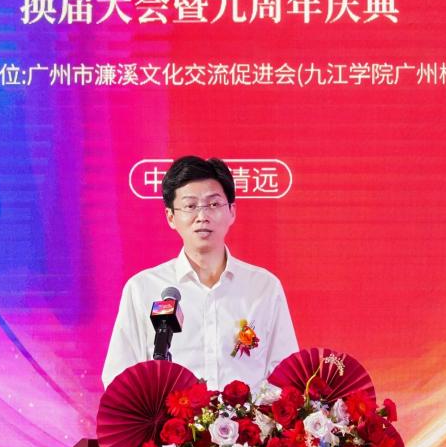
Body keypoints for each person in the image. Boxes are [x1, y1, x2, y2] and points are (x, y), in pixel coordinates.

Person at [101, 156, 298, 390]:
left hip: (249, 414)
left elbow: (285, 375)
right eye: (190, 206)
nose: (202, 216)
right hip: (168, 414)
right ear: (171, 217)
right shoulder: (143, 288)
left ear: (232, 211)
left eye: (213, 204)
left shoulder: (263, 287)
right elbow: (119, 378)